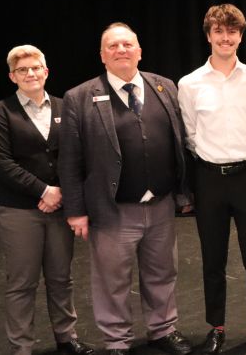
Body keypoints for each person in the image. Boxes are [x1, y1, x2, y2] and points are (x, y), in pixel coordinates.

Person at [59, 23, 193, 355]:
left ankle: (163, 329)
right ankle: (117, 341)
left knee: (162, 272)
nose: (122, 50)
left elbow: (180, 143)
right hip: (112, 209)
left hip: (161, 205)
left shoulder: (164, 87)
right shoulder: (80, 97)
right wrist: (76, 210)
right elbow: (70, 161)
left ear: (139, 51)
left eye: (128, 44)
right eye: (113, 46)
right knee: (112, 280)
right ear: (103, 55)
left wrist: (184, 192)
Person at [0, 45, 94, 355]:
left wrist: (58, 191)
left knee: (62, 277)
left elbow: (76, 155)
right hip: (19, 210)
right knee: (23, 282)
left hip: (59, 208)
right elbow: (1, 163)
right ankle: (22, 347)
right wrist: (44, 191)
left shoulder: (64, 106)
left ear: (46, 72)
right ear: (12, 76)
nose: (30, 73)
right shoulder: (1, 111)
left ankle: (66, 337)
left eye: (35, 68)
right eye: (22, 70)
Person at [178, 4, 246, 355]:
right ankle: (216, 327)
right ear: (208, 36)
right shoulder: (189, 84)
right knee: (212, 258)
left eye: (232, 32)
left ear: (241, 36)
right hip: (210, 178)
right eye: (219, 31)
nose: (226, 38)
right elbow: (189, 133)